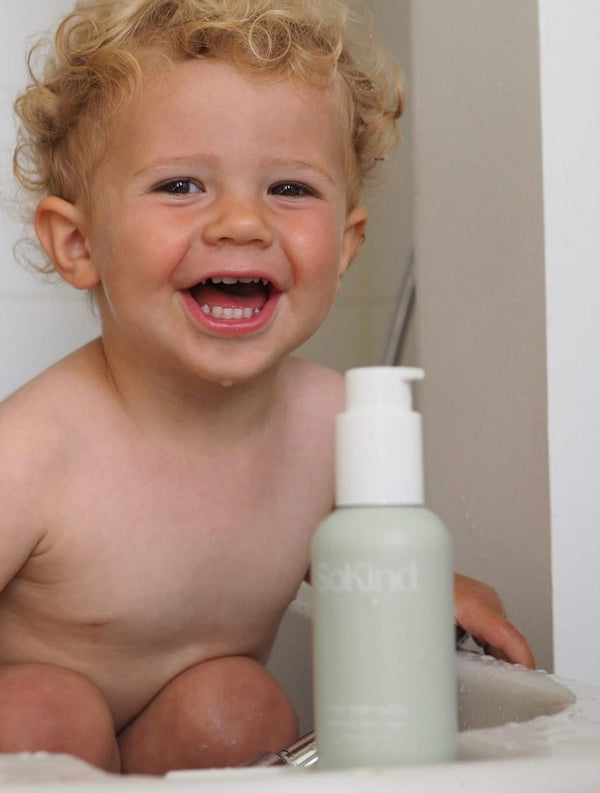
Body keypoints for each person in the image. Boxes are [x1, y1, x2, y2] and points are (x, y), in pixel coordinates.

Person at [0, 0, 534, 776]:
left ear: (345, 244)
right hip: (33, 745)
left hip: (181, 738)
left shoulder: (328, 421)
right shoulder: (34, 447)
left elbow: (367, 559)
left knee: (238, 706)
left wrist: (437, 592)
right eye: (181, 184)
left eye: (289, 188)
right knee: (46, 710)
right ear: (80, 243)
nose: (243, 223)